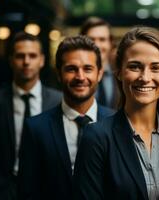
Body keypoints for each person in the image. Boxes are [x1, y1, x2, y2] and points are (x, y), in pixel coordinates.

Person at [73, 26, 159, 200]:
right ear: (119, 72)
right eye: (135, 66)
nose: (145, 77)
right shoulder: (97, 137)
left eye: (156, 68)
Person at [17, 35, 114, 200]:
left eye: (88, 69)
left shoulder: (118, 123)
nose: (80, 77)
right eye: (71, 69)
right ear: (59, 74)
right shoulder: (35, 128)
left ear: (99, 74)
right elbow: (28, 192)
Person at [0, 32, 61, 200]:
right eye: (20, 56)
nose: (26, 61)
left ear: (42, 60)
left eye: (32, 55)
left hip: (47, 190)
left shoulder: (59, 101)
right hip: (5, 191)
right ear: (11, 60)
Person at [80, 17, 119, 109]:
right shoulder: (75, 75)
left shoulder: (121, 74)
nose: (97, 45)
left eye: (102, 39)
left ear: (110, 43)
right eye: (91, 39)